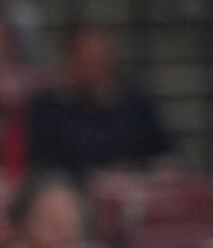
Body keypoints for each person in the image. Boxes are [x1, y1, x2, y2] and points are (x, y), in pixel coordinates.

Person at [24, 25, 173, 179]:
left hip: (132, 192)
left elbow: (164, 157)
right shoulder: (47, 107)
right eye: (88, 61)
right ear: (70, 62)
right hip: (71, 194)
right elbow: (41, 166)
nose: (95, 69)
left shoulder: (137, 102)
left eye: (101, 60)